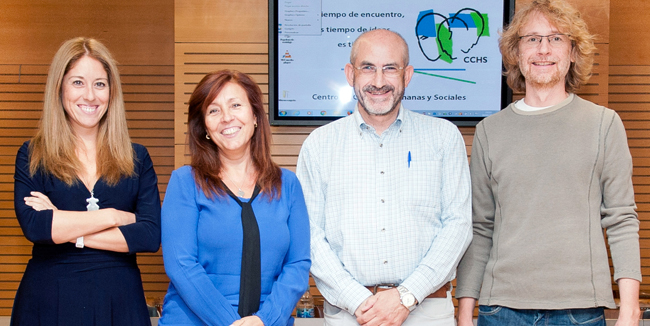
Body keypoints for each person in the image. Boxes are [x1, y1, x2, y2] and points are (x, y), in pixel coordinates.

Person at [455, 0, 641, 325]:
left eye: (556, 38)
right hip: (500, 310)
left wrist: (630, 307)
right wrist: (465, 308)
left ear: (572, 52)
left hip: (579, 310)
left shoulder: (604, 124)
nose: (543, 49)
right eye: (532, 39)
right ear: (516, 52)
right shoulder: (489, 131)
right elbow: (480, 226)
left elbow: (622, 219)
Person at [296, 29, 472, 326]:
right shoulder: (319, 145)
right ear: (351, 74)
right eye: (368, 68)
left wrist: (406, 296)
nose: (379, 81)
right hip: (351, 315)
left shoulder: (443, 137)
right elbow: (310, 236)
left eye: (390, 68)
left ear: (408, 75)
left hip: (427, 310)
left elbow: (458, 225)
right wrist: (360, 301)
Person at [11, 37, 161, 325]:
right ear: (60, 88)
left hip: (121, 302)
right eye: (78, 82)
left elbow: (149, 235)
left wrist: (68, 228)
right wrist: (115, 216)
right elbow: (37, 226)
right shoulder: (33, 154)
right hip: (49, 300)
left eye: (100, 84)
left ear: (111, 91)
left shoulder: (137, 158)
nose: (90, 95)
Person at [158, 70, 311, 326]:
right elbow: (181, 265)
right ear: (204, 126)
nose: (227, 117)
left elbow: (298, 264)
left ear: (255, 116)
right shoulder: (185, 182)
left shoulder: (288, 185)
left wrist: (264, 320)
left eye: (236, 105)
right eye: (214, 110)